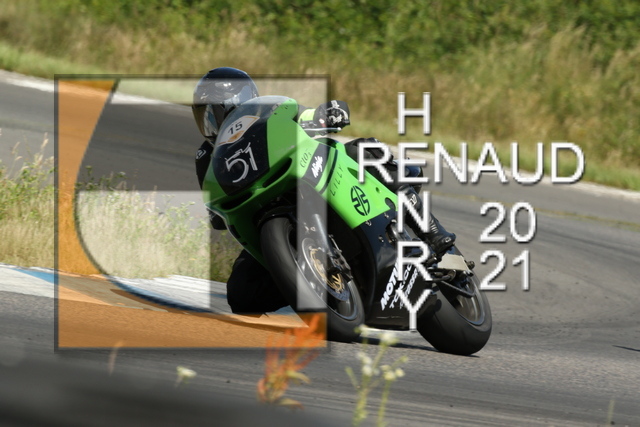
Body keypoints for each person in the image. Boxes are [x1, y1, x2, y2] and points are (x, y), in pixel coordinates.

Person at [193, 67, 455, 314]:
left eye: (214, 112)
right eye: (204, 115)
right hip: (266, 214)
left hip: (307, 179)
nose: (211, 122)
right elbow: (216, 210)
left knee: (361, 150)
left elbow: (307, 116)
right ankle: (311, 285)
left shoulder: (270, 112)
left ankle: (433, 233)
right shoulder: (207, 157)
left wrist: (327, 114)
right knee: (241, 292)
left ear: (239, 101)